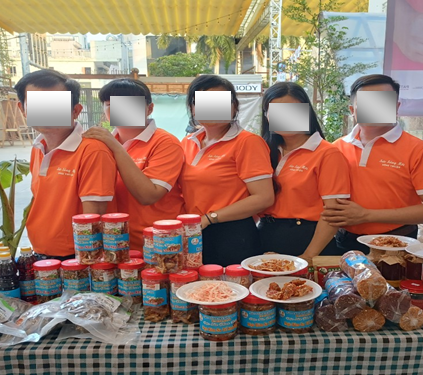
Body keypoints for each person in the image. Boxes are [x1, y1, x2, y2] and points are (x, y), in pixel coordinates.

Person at [322, 74, 423, 253]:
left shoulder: (418, 150)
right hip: (342, 242)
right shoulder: (336, 148)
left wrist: (367, 215)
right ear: (352, 109)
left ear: (396, 107)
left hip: (396, 244)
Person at [15, 70, 117, 260]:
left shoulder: (93, 151)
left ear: (76, 110)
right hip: (42, 254)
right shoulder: (38, 148)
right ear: (22, 109)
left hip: (76, 258)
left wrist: (85, 262)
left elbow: (93, 220)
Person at [179, 75, 274, 266]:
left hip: (232, 234)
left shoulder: (247, 142)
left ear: (234, 106)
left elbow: (264, 198)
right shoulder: (187, 143)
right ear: (192, 107)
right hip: (193, 232)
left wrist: (210, 218)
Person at [82, 78, 185, 252]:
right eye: (111, 105)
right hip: (114, 243)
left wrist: (115, 147)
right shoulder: (98, 145)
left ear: (149, 108)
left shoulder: (166, 143)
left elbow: (148, 195)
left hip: (159, 244)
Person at [259, 82, 350, 263]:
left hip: (308, 240)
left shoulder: (327, 153)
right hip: (265, 237)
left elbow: (334, 213)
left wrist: (309, 255)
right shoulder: (264, 150)